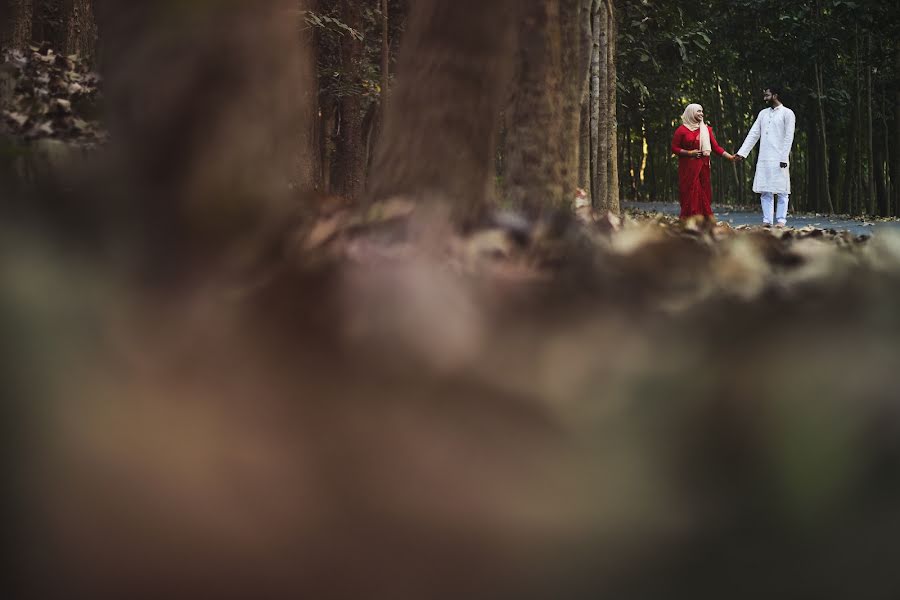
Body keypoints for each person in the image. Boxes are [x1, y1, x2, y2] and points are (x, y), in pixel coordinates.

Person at [734, 86, 796, 227]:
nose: (765, 98)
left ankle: (781, 220)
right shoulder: (763, 114)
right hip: (764, 156)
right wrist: (742, 153)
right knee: (765, 190)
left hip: (780, 157)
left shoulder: (788, 113)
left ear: (775, 95)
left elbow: (788, 137)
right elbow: (754, 133)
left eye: (767, 95)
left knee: (782, 190)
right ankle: (767, 221)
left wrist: (783, 157)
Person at [671, 104, 735, 220]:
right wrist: (689, 153)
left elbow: (715, 147)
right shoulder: (681, 130)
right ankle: (689, 220)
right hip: (688, 167)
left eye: (702, 111)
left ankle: (703, 220)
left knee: (702, 192)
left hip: (703, 166)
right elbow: (674, 148)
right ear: (690, 113)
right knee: (690, 192)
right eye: (698, 111)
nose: (701, 114)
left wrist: (729, 156)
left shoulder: (706, 129)